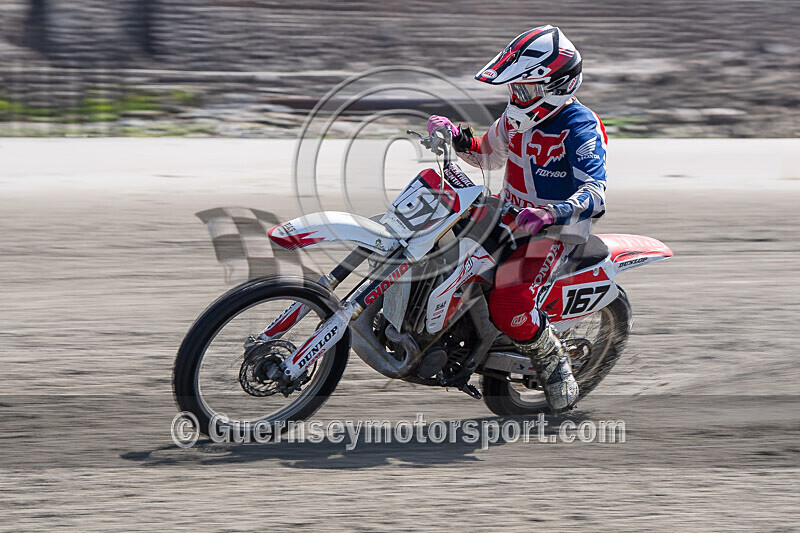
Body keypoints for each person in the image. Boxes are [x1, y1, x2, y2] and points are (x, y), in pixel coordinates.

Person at [427, 25, 608, 412]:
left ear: (554, 86)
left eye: (524, 89)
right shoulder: (516, 120)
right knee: (435, 240)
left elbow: (596, 190)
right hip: (506, 213)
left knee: (510, 302)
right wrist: (458, 138)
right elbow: (487, 154)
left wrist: (549, 212)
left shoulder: (580, 126)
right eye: (515, 88)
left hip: (553, 231)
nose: (516, 96)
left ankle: (554, 364)